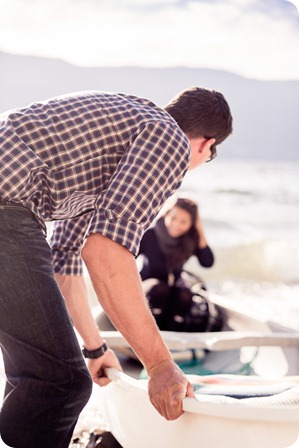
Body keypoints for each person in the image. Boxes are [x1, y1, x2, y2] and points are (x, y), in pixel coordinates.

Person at [0, 86, 232, 448]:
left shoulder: (121, 135)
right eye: (209, 156)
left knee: (37, 375)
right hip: (7, 204)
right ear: (206, 143)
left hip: (11, 202)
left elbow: (65, 265)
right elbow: (107, 252)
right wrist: (158, 366)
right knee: (60, 382)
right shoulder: (168, 137)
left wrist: (94, 349)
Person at [138, 197, 215, 332]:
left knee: (185, 294)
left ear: (191, 223)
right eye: (173, 218)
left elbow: (207, 262)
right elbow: (127, 257)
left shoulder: (189, 240)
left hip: (174, 288)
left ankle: (174, 334)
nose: (176, 225)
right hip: (149, 288)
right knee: (160, 288)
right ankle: (149, 333)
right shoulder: (150, 234)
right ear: (166, 214)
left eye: (183, 221)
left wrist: (199, 229)